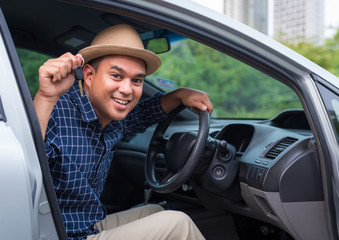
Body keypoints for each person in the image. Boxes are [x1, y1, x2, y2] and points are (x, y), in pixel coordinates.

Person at [33, 24, 213, 240]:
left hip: (82, 225)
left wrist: (179, 95)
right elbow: (25, 166)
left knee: (154, 212)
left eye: (136, 80)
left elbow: (141, 115)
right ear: (89, 75)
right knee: (178, 224)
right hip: (55, 234)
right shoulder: (55, 112)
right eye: (117, 76)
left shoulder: (110, 118)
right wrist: (45, 98)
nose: (127, 90)